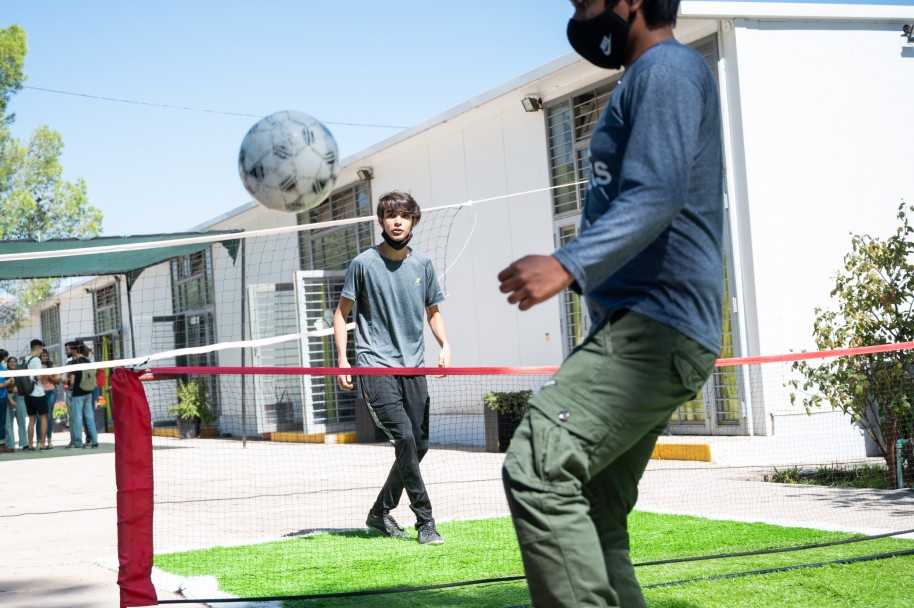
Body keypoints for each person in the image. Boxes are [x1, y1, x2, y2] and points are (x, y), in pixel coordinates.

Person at [497, 1, 723, 605]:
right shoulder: (644, 79)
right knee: (595, 513)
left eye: (585, 2)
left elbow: (658, 193)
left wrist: (568, 263)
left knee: (539, 465)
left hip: (656, 327)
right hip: (640, 328)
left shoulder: (667, 70)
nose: (578, 13)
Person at [333, 190, 451, 546]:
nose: (396, 221)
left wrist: (446, 345)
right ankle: (426, 522)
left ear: (413, 220)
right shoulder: (363, 264)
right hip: (374, 366)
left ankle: (379, 512)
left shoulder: (424, 265)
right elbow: (341, 314)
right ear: (381, 221)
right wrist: (343, 361)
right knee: (404, 438)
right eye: (389, 215)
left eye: (403, 215)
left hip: (413, 367)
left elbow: (433, 311)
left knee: (420, 444)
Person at [68, 344, 99, 449]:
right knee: (90, 418)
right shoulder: (88, 362)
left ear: (76, 351)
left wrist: (67, 381)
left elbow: (72, 382)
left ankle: (78, 442)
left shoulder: (75, 362)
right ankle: (94, 441)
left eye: (72, 349)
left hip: (78, 394)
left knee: (78, 418)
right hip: (88, 392)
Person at [21, 339, 50, 451]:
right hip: (37, 393)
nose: (42, 351)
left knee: (31, 420)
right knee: (43, 418)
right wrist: (45, 371)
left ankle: (30, 445)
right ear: (38, 348)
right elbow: (38, 377)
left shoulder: (25, 359)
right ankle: (43, 445)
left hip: (27, 393)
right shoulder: (36, 360)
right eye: (41, 349)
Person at [4, 356, 29, 452]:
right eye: (11, 362)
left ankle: (24, 443)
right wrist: (10, 400)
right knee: (8, 423)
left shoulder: (20, 372)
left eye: (15, 361)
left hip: (20, 397)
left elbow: (26, 385)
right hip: (8, 397)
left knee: (21, 421)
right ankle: (10, 444)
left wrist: (18, 387)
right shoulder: (4, 373)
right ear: (8, 363)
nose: (13, 363)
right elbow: (3, 389)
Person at [40, 349, 61, 448]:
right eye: (42, 356)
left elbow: (58, 381)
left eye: (45, 356)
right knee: (39, 417)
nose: (44, 358)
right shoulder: (36, 366)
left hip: (51, 392)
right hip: (39, 392)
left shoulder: (52, 366)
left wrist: (49, 376)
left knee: (48, 416)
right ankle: (40, 440)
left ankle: (49, 439)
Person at [0, 350, 13, 453]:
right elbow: (0, 385)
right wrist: (10, 381)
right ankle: (1, 445)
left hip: (3, 396)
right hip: (1, 398)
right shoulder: (1, 368)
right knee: (2, 422)